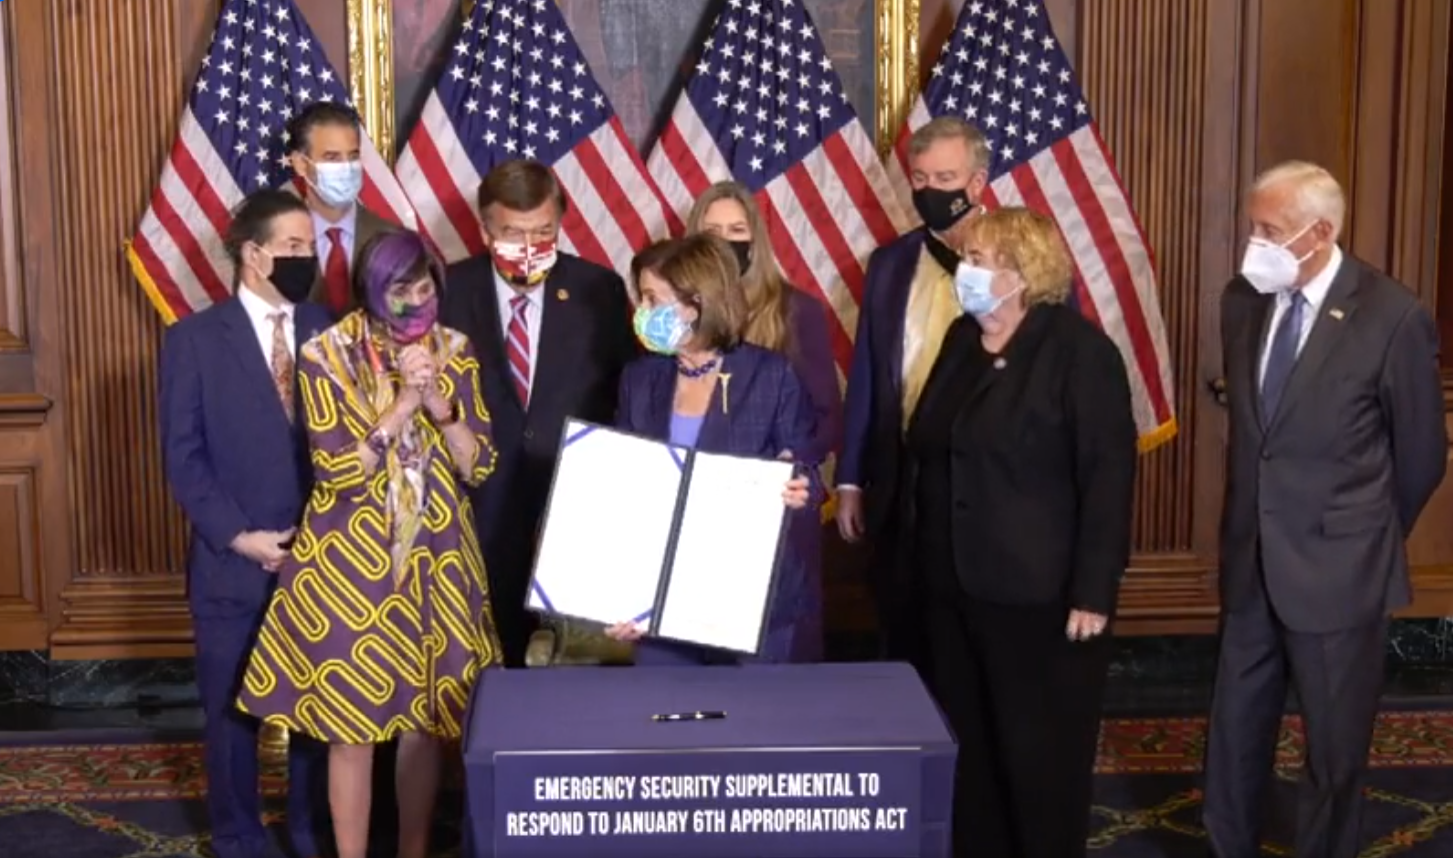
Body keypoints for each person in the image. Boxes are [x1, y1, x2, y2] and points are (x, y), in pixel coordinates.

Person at [1201, 161, 1447, 858]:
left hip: (1339, 571)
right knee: (1232, 738)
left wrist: (1362, 537)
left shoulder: (1391, 315)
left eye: (1269, 230)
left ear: (1320, 232)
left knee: (1333, 753)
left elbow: (1420, 455)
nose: (1255, 242)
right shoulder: (1240, 300)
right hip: (1251, 563)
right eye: (1252, 225)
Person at [237, 230, 504, 858]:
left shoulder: (457, 351)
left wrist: (439, 402)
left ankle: (412, 849)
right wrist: (402, 404)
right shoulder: (327, 354)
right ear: (373, 291)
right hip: (354, 565)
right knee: (350, 728)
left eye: (425, 285)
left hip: (438, 556)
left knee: (424, 725)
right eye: (401, 289)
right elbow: (338, 472)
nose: (417, 300)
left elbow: (480, 466)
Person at [902, 207, 1137, 857]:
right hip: (953, 585)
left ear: (1023, 272)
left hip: (1041, 596)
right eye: (966, 258)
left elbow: (1107, 477)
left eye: (980, 260)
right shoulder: (958, 340)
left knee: (1039, 761)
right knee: (968, 749)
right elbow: (927, 443)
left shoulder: (1078, 353)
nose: (965, 271)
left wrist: (1094, 587)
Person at [158, 189, 330, 858]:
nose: (304, 258)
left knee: (318, 709)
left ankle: (312, 832)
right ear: (253, 254)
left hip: (323, 560)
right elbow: (183, 456)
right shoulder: (192, 340)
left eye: (309, 246)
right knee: (232, 713)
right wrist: (239, 537)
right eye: (291, 248)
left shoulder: (330, 327)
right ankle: (238, 838)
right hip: (233, 562)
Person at [440, 159, 637, 667]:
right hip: (479, 506)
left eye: (544, 232)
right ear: (485, 231)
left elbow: (625, 394)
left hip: (575, 506)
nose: (529, 245)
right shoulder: (447, 292)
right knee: (490, 656)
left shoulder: (600, 290)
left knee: (576, 664)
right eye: (513, 233)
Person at [604, 235, 817, 663]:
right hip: (660, 607)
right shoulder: (639, 379)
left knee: (751, 728)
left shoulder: (770, 375)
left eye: (651, 299)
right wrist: (618, 594)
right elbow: (622, 486)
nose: (640, 313)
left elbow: (805, 468)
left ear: (696, 303)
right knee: (665, 725)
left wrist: (798, 484)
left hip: (749, 605)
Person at [837, 116, 991, 667]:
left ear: (978, 183)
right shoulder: (890, 264)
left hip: (990, 485)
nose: (931, 190)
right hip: (903, 479)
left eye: (946, 176)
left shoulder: (1027, 261)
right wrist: (851, 479)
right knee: (903, 632)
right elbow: (869, 375)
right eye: (920, 178)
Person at [685, 181, 840, 660]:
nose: (726, 242)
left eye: (737, 230)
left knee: (777, 662)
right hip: (699, 522)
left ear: (756, 240)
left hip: (776, 515)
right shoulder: (673, 318)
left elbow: (828, 416)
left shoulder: (798, 312)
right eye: (713, 231)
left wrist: (790, 465)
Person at [284, 101, 392, 316]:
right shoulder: (275, 245)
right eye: (332, 158)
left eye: (353, 156)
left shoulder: (391, 237)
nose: (346, 167)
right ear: (301, 164)